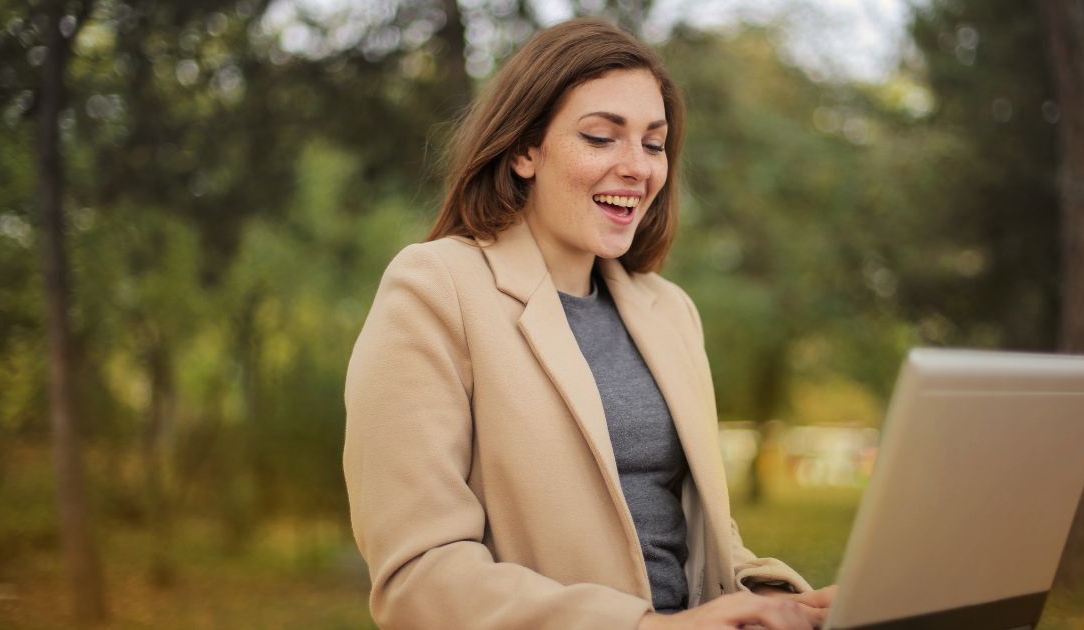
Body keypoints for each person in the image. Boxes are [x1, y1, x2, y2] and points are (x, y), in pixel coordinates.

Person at [343, 18, 835, 630]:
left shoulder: (669, 311)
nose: (637, 167)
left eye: (653, 144)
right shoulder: (435, 288)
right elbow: (418, 577)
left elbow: (699, 541)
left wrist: (776, 600)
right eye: (602, 137)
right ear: (526, 150)